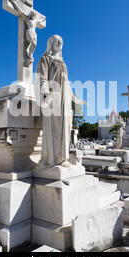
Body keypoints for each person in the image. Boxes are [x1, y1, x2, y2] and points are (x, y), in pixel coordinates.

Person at [36, 35, 85, 167]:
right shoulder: (45, 59)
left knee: (66, 126)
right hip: (53, 97)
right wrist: (47, 93)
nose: (60, 43)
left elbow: (67, 82)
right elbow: (41, 77)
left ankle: (63, 158)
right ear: (51, 43)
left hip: (65, 98)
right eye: (56, 40)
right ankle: (53, 159)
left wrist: (75, 99)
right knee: (55, 127)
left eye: (61, 41)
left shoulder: (63, 62)